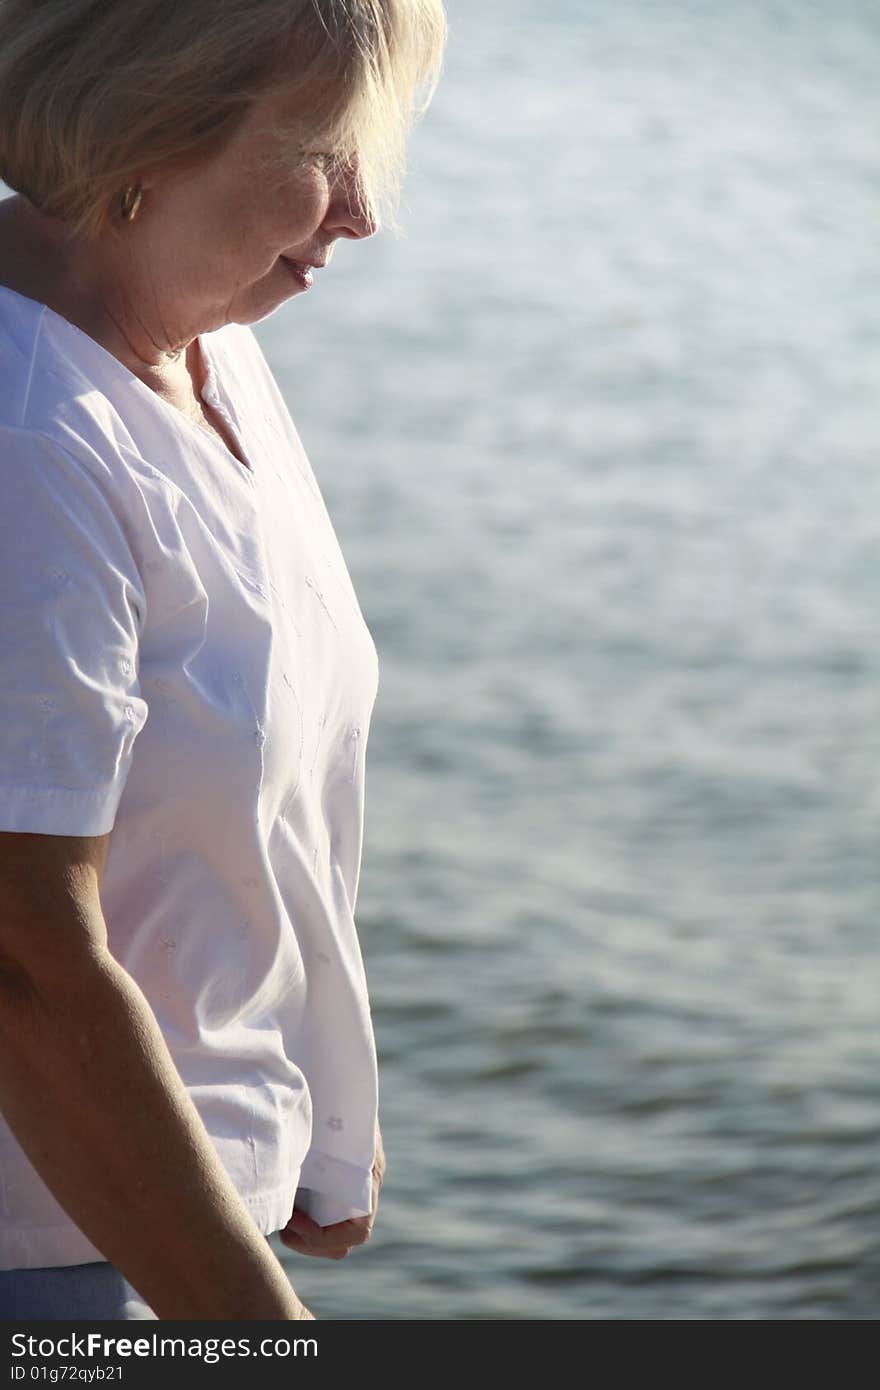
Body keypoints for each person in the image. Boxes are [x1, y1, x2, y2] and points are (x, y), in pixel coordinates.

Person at [0, 0, 445, 1320]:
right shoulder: (31, 444)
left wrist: (318, 1107)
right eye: (321, 144)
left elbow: (266, 776)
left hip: (162, 1214)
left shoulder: (206, 344)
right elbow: (24, 957)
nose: (365, 208)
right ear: (142, 131)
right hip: (52, 1249)